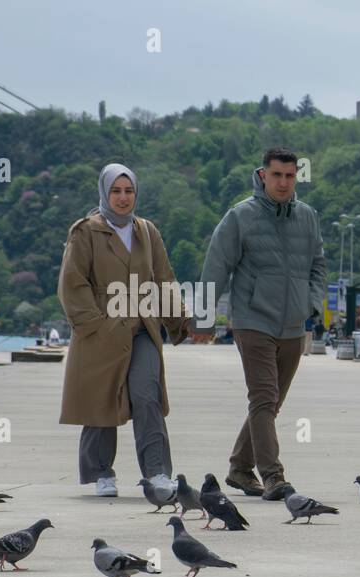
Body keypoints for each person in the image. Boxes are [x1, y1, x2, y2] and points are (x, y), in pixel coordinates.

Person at [57, 164, 191, 498]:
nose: (122, 198)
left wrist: (179, 322)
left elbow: (164, 280)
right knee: (102, 399)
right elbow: (73, 282)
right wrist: (94, 325)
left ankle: (158, 472)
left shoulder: (147, 231)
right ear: (105, 192)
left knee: (147, 395)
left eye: (128, 191)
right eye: (116, 191)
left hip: (143, 327)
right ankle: (102, 473)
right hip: (102, 328)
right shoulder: (85, 231)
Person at [201, 147, 326, 500]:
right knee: (263, 397)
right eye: (277, 175)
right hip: (252, 320)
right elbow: (215, 267)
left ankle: (240, 468)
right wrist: (204, 318)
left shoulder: (307, 216)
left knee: (270, 404)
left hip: (293, 325)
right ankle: (273, 476)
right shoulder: (241, 216)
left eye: (290, 175)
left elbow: (318, 265)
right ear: (262, 175)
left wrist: (312, 304)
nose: (284, 182)